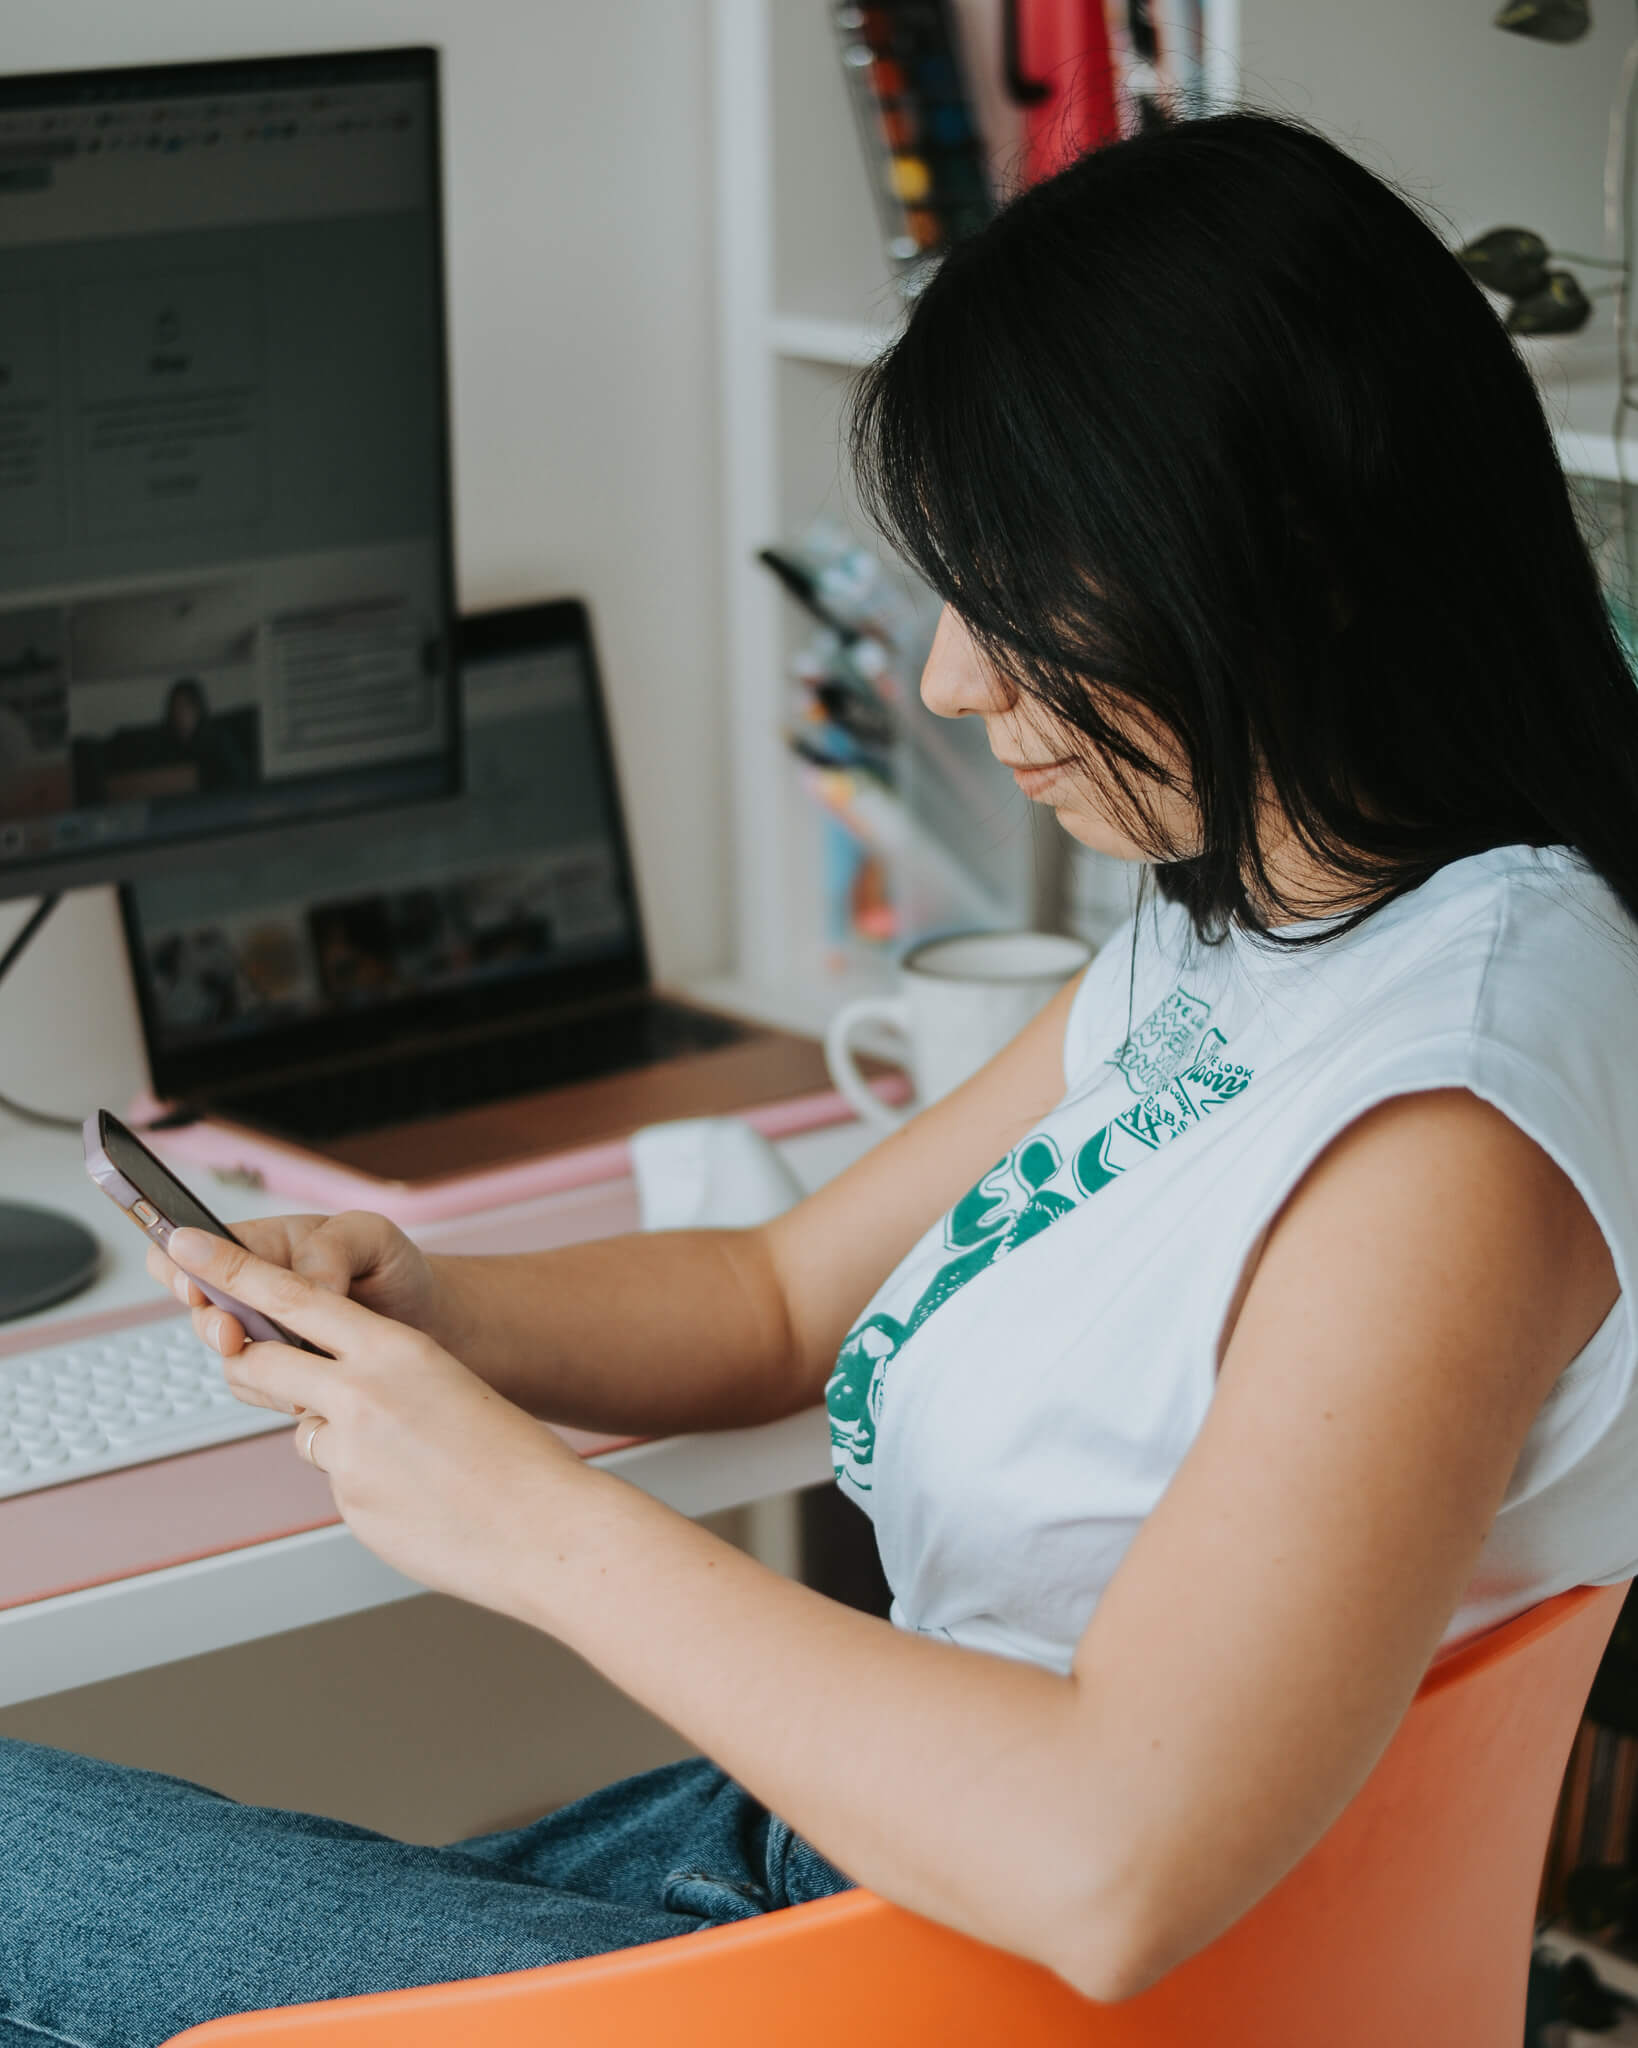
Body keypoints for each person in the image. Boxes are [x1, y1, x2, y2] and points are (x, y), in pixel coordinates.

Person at [5, 106, 1638, 2043]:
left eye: (1021, 594)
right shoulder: (1268, 923)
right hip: (851, 1876)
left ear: (1287, 557)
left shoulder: (1445, 1119)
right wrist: (433, 1308)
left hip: (973, 1983)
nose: (955, 680)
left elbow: (1117, 1861)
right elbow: (783, 1292)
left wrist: (526, 1522)